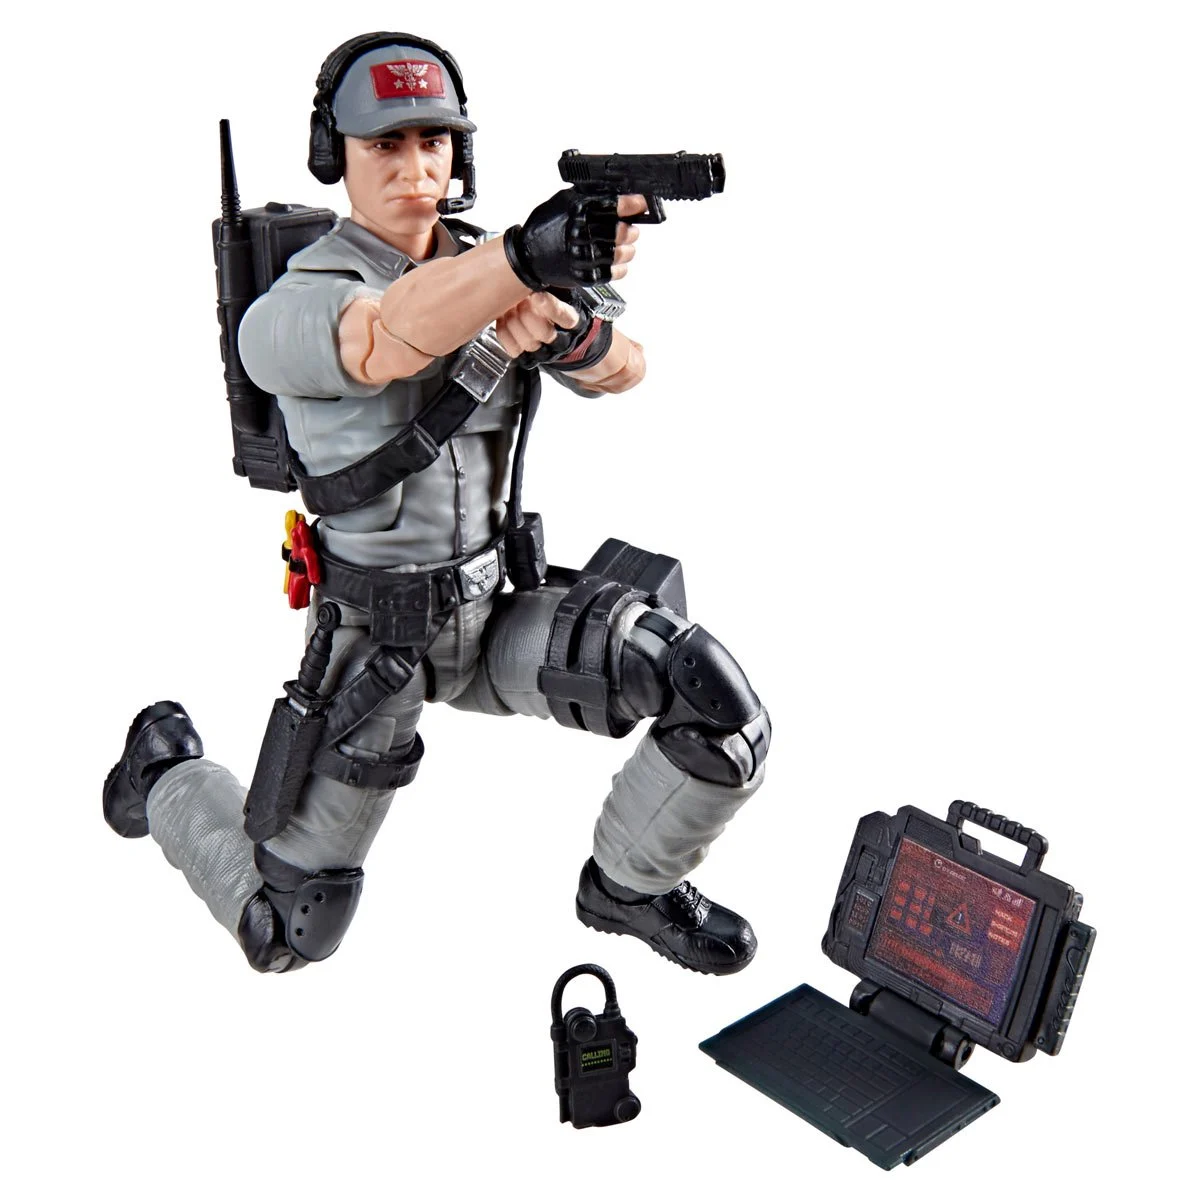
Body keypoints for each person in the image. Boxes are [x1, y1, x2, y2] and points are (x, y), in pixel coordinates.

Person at [103, 33, 769, 976]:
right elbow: (390, 339)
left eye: (434, 142)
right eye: (385, 145)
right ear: (335, 154)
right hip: (377, 642)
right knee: (290, 928)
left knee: (710, 697)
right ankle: (164, 767)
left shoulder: (488, 268)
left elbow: (628, 369)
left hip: (495, 613)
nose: (415, 167)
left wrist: (563, 326)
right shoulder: (297, 304)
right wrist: (521, 261)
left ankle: (628, 888)